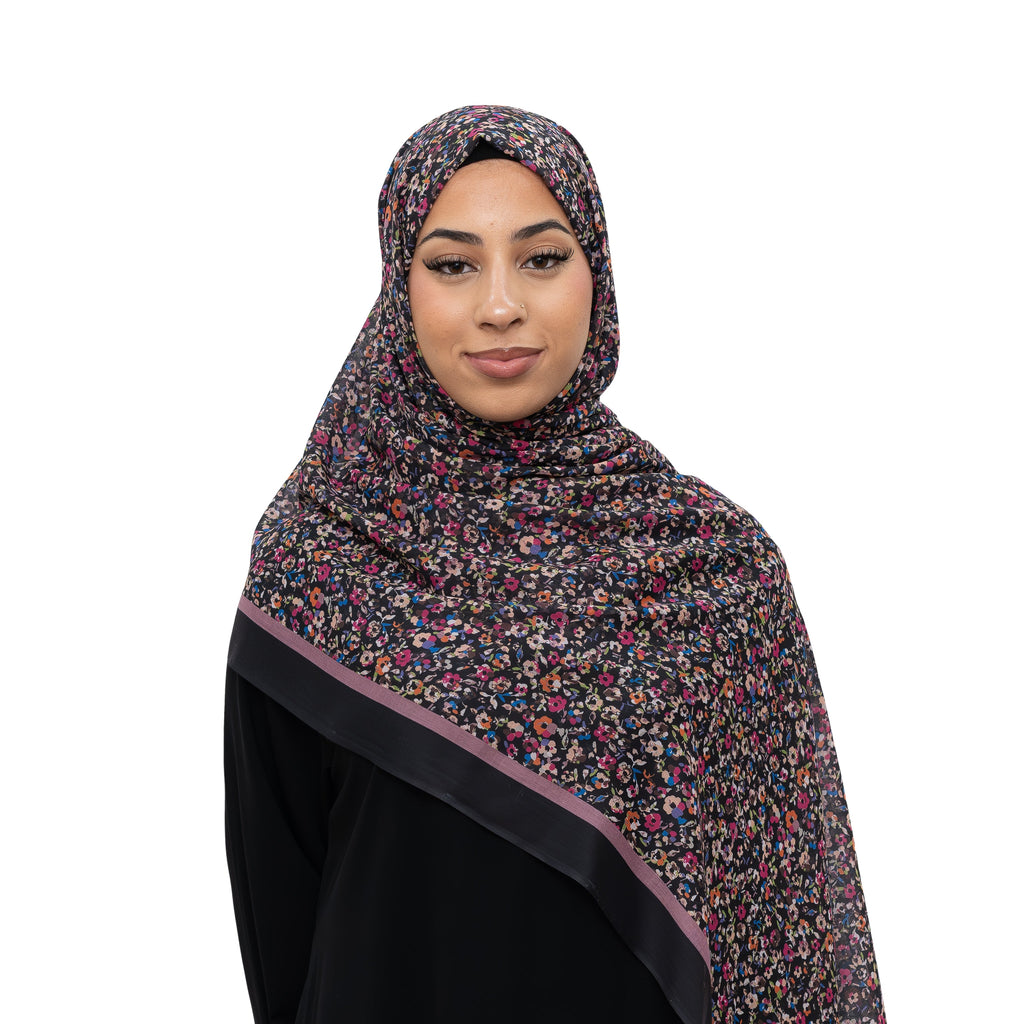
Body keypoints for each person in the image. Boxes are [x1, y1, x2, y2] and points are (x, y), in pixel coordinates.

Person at [225, 105, 886, 1024]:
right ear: (397, 287)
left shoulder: (716, 573)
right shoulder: (323, 557)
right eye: (452, 265)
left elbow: (785, 920)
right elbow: (281, 909)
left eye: (541, 258)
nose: (501, 305)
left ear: (596, 277)